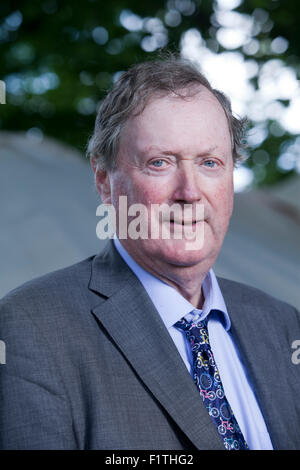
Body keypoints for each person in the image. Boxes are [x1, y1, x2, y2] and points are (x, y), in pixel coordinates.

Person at [0, 57, 300, 451]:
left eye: (210, 163)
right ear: (105, 182)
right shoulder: (30, 327)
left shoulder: (283, 326)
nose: (189, 192)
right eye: (160, 163)